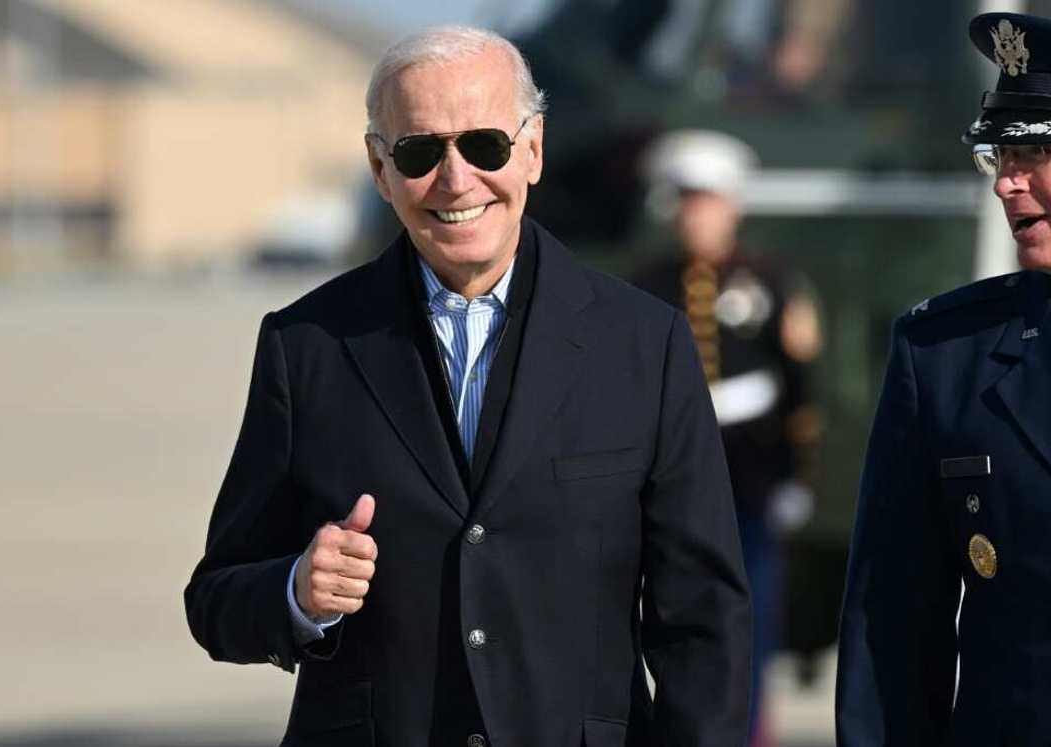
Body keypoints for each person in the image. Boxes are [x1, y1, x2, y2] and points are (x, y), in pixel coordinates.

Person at [184, 26, 751, 746]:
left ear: (534, 149)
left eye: (484, 145)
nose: (456, 180)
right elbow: (216, 599)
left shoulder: (647, 345)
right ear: (379, 168)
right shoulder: (307, 347)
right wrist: (297, 591)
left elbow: (704, 620)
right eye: (421, 152)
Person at [836, 12, 1051, 745]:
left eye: (1038, 153)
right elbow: (891, 619)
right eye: (1000, 157)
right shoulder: (945, 353)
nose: (1008, 184)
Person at [630, 130, 822, 747]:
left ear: (732, 206)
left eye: (708, 200)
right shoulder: (648, 284)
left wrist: (795, 474)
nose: (697, 214)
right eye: (686, 201)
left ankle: (748, 732)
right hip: (672, 480)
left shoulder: (768, 282)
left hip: (750, 478)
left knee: (751, 613)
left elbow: (799, 386)